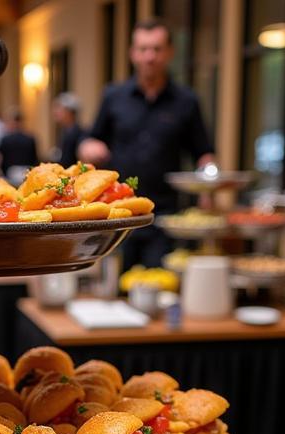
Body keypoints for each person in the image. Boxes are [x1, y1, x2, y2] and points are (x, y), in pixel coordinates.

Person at [79, 18, 215, 269]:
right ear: (133, 53)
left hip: (164, 215)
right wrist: (89, 146)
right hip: (119, 212)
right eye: (143, 49)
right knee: (115, 290)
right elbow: (91, 139)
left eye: (157, 49)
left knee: (160, 286)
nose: (150, 56)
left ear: (170, 52)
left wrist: (208, 185)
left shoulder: (187, 100)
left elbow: (204, 154)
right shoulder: (113, 96)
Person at [0, 109, 39, 184]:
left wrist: (3, 173)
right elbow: (35, 159)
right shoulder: (30, 138)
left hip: (10, 173)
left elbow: (1, 159)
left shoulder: (6, 139)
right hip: (27, 171)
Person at [52, 93, 85, 168]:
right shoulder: (65, 131)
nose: (55, 112)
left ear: (69, 112)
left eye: (59, 108)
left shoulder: (77, 133)